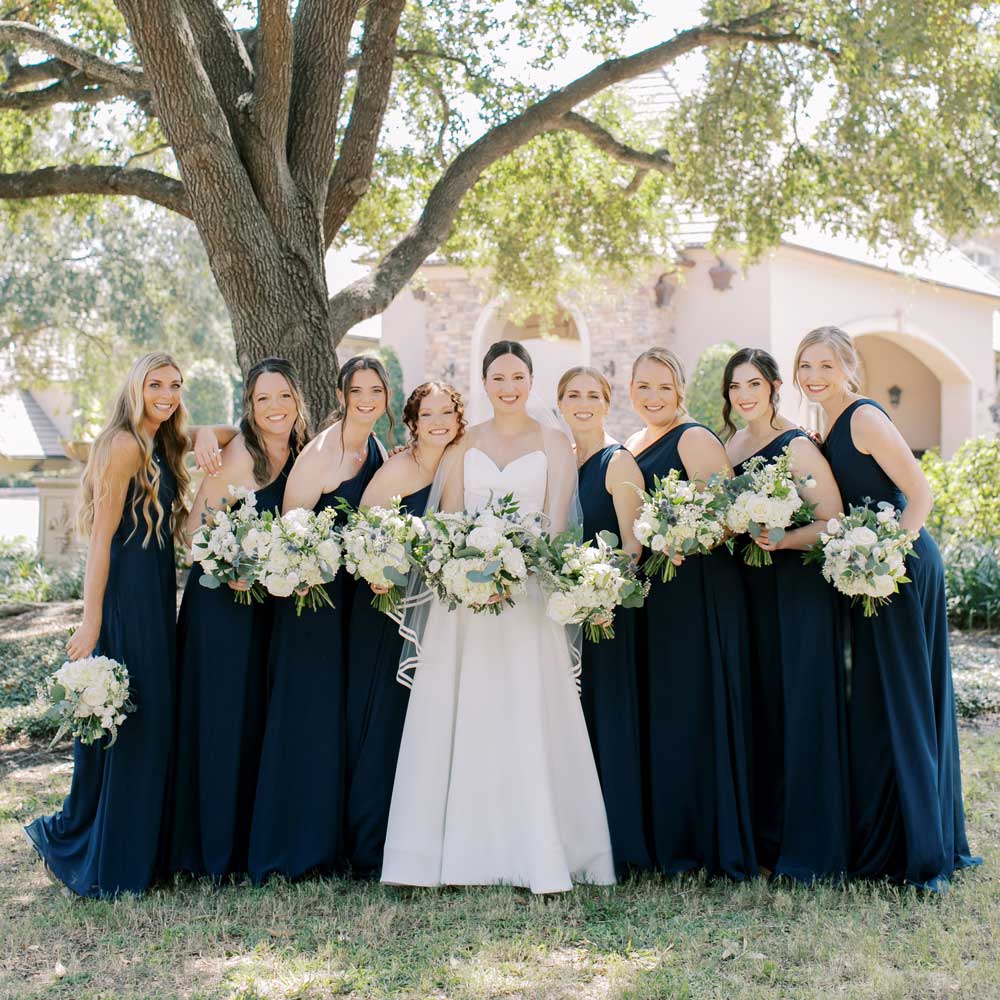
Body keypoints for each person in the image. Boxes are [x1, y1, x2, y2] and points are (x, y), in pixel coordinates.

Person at [381, 341, 615, 893]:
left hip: (529, 598)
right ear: (484, 382)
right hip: (464, 601)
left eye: (517, 377)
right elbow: (451, 517)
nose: (508, 387)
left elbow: (559, 525)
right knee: (465, 712)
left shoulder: (554, 441)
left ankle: (540, 850)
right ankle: (450, 856)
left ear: (531, 380)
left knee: (528, 713)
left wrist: (519, 568)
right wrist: (472, 567)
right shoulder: (466, 442)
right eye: (498, 378)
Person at [23, 352, 233, 896]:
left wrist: (206, 433)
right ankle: (112, 855)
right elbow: (100, 540)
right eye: (156, 384)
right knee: (137, 720)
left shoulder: (164, 440)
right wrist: (92, 620)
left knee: (150, 718)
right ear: (135, 387)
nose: (166, 394)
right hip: (126, 598)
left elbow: (233, 431)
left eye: (175, 385)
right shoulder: (123, 445)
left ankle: (142, 852)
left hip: (157, 594)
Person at [796, 326, 981, 889]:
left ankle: (923, 849)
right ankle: (886, 839)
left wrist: (884, 560)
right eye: (805, 366)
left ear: (849, 367)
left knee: (903, 696)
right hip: (867, 567)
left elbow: (920, 496)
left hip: (900, 564)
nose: (814, 376)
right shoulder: (824, 426)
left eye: (826, 365)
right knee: (877, 698)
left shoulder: (865, 417)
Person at [248, 356, 390, 883]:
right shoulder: (323, 451)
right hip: (311, 606)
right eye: (358, 390)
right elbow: (289, 529)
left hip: (352, 608)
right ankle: (291, 849)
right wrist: (309, 571)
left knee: (338, 723)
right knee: (304, 718)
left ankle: (335, 845)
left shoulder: (375, 449)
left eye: (376, 390)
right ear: (341, 394)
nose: (367, 399)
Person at [168, 358, 310, 880]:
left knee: (257, 720)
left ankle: (254, 845)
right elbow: (195, 533)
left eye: (283, 397)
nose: (275, 408)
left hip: (270, 613)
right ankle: (210, 852)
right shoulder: (232, 456)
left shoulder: (303, 454)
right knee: (221, 722)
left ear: (298, 401)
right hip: (221, 610)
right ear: (249, 407)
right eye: (263, 399)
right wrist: (228, 567)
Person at [626, 347, 756, 880]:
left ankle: (702, 841)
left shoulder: (694, 438)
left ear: (679, 391)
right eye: (643, 385)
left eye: (663, 386)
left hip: (697, 589)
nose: (653, 396)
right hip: (655, 593)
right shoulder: (635, 442)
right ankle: (666, 837)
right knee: (665, 711)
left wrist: (682, 532)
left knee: (694, 709)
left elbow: (731, 517)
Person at [722, 347, 849, 881]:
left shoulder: (797, 445)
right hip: (749, 593)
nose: (744, 395)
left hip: (794, 592)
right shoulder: (731, 443)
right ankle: (767, 840)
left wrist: (783, 537)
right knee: (764, 711)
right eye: (735, 387)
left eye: (754, 384)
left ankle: (809, 844)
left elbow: (832, 519)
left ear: (774, 386)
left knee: (797, 710)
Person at [344, 382, 465, 877]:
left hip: (442, 615)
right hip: (385, 609)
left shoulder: (463, 460)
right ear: (412, 423)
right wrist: (378, 568)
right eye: (427, 414)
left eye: (446, 413)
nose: (438, 421)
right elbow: (360, 533)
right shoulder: (399, 468)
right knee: (385, 720)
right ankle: (371, 843)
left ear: (459, 419)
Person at [556, 365, 651, 875]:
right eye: (573, 395)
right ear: (561, 404)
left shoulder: (619, 463)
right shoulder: (565, 460)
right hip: (568, 612)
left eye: (593, 394)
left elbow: (633, 550)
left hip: (608, 614)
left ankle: (620, 845)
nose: (583, 403)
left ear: (607, 402)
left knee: (608, 720)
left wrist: (596, 590)